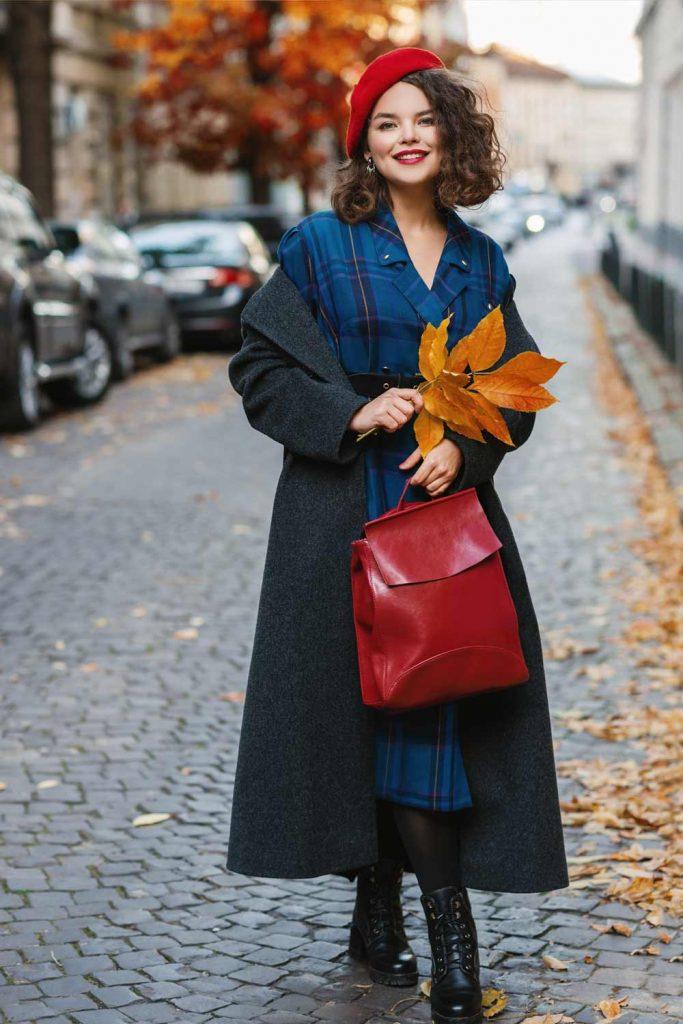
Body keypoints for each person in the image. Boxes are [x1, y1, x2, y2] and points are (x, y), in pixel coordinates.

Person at [226, 46, 568, 1024]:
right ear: (362, 146)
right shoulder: (316, 250)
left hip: (440, 520)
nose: (406, 136)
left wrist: (468, 448)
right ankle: (377, 903)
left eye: (422, 119)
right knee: (350, 718)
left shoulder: (478, 261)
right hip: (336, 513)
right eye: (385, 122)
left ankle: (446, 935)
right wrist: (350, 412)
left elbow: (517, 395)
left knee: (427, 710)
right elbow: (261, 372)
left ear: (451, 136)